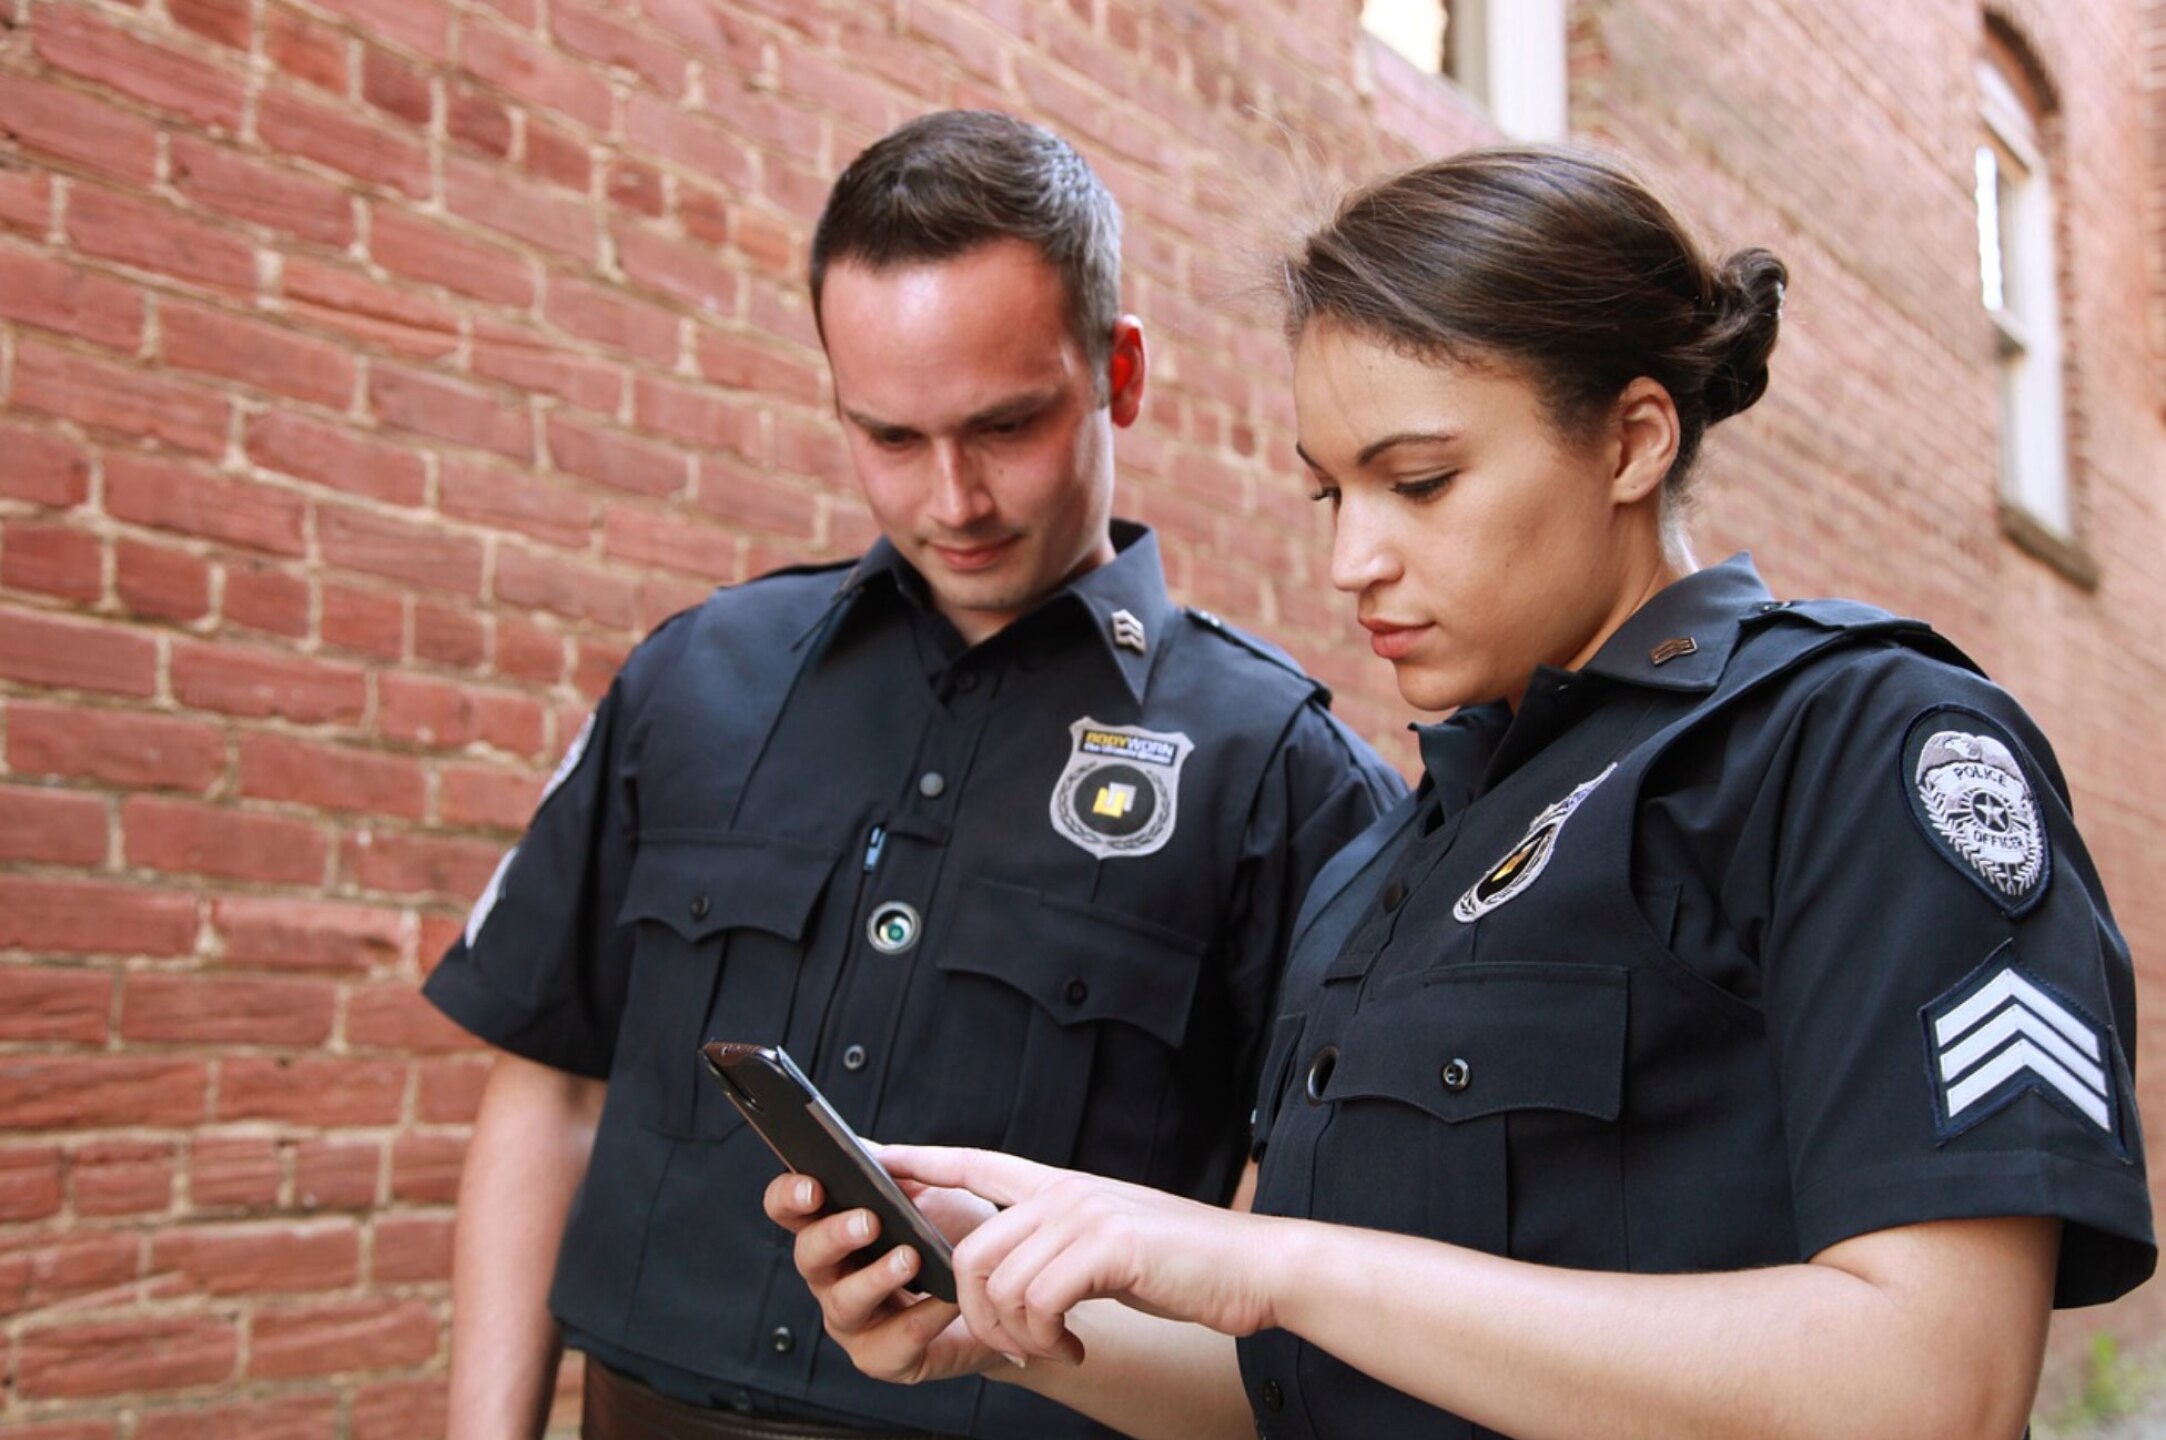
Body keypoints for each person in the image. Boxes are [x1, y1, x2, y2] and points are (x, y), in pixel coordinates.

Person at [767, 145, 2156, 1440]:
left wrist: (1279, 1261)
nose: (1349, 562)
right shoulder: (1382, 865)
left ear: (1630, 441)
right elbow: (1298, 1388)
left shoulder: (1850, 744)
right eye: (1329, 495)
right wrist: (1003, 1311)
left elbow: (1934, 1385)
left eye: (1417, 482)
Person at [421, 109, 1403, 1440]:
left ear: (1117, 372)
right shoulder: (696, 677)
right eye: (888, 438)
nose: (952, 500)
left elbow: (1310, 1246)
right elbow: (551, 1090)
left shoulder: (1280, 773)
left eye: (1004, 426)